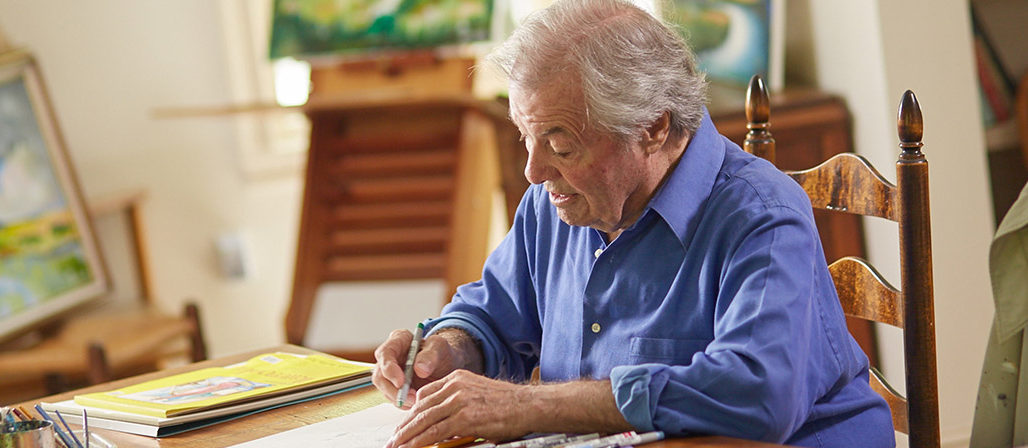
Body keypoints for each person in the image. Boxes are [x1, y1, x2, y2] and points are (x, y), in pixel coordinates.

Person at [373, 1, 894, 447]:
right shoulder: (552, 203)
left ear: (653, 126)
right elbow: (490, 313)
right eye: (524, 138)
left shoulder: (762, 216)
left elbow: (756, 393)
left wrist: (527, 407)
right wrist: (446, 348)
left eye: (560, 146)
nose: (533, 171)